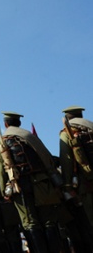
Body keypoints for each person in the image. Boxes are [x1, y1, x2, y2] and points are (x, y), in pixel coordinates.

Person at [0, 111, 63, 252]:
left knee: (30, 223)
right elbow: (48, 158)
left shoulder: (4, 140)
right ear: (19, 123)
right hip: (43, 183)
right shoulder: (30, 137)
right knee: (49, 221)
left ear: (6, 124)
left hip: (21, 186)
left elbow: (2, 169)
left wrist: (4, 191)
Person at [57, 105, 93, 252]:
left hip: (84, 184)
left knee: (90, 221)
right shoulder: (90, 128)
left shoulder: (68, 132)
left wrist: (67, 186)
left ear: (67, 118)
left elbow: (66, 161)